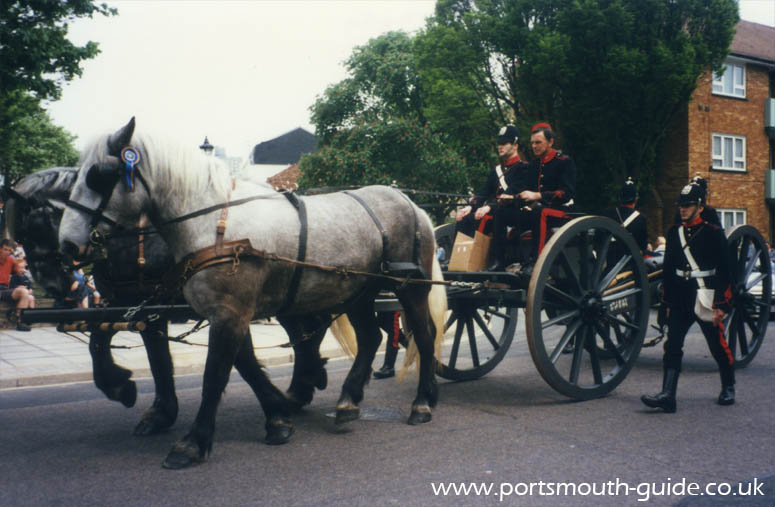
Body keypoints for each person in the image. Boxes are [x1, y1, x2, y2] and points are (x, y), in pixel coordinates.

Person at [641, 182, 735, 413]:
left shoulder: (713, 233)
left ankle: (728, 386)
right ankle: (668, 395)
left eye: (688, 205)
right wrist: (666, 304)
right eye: (681, 205)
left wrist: (722, 305)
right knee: (672, 346)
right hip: (681, 297)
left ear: (700, 207)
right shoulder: (675, 233)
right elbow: (669, 271)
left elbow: (726, 270)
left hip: (705, 295)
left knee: (717, 345)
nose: (683, 209)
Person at [489, 122, 576, 271]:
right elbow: (526, 189)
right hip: (536, 212)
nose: (534, 146)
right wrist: (513, 197)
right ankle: (500, 261)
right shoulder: (534, 164)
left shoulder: (564, 162)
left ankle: (537, 262)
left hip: (560, 211)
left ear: (550, 142)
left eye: (538, 142)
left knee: (539, 212)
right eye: (532, 143)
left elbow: (566, 194)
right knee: (500, 212)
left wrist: (538, 195)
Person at [455, 125, 528, 239]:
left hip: (511, 214)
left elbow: (509, 194)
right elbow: (484, 192)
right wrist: (471, 207)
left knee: (481, 218)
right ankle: (460, 255)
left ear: (515, 146)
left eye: (504, 143)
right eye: (499, 143)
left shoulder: (523, 169)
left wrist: (489, 207)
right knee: (463, 218)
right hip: (494, 210)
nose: (500, 147)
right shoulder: (496, 170)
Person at [599, 177, 648, 263]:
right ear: (636, 199)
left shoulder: (607, 213)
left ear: (620, 198)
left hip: (610, 261)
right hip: (630, 264)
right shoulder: (641, 219)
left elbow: (599, 239)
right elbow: (642, 247)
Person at [0, 239, 33, 331]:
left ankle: (23, 321)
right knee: (24, 292)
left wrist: (21, 286)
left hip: (5, 289)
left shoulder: (11, 261)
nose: (7, 252)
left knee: (27, 295)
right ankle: (19, 320)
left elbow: (20, 271)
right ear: (0, 249)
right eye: (5, 249)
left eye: (10, 250)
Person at [373, 310, 408, 379]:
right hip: (384, 300)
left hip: (395, 299)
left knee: (393, 326)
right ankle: (412, 347)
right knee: (381, 321)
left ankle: (389, 366)